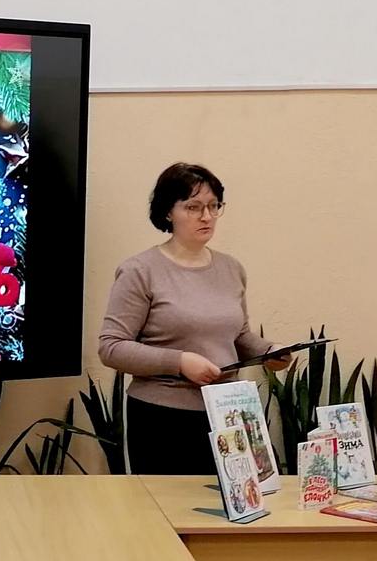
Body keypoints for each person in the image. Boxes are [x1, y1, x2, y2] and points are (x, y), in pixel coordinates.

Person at [98, 163, 290, 475]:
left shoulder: (231, 269)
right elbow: (111, 348)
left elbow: (239, 336)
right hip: (163, 416)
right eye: (194, 207)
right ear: (168, 212)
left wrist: (270, 351)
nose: (207, 216)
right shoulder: (140, 271)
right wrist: (180, 362)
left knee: (231, 504)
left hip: (227, 411)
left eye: (214, 206)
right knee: (171, 504)